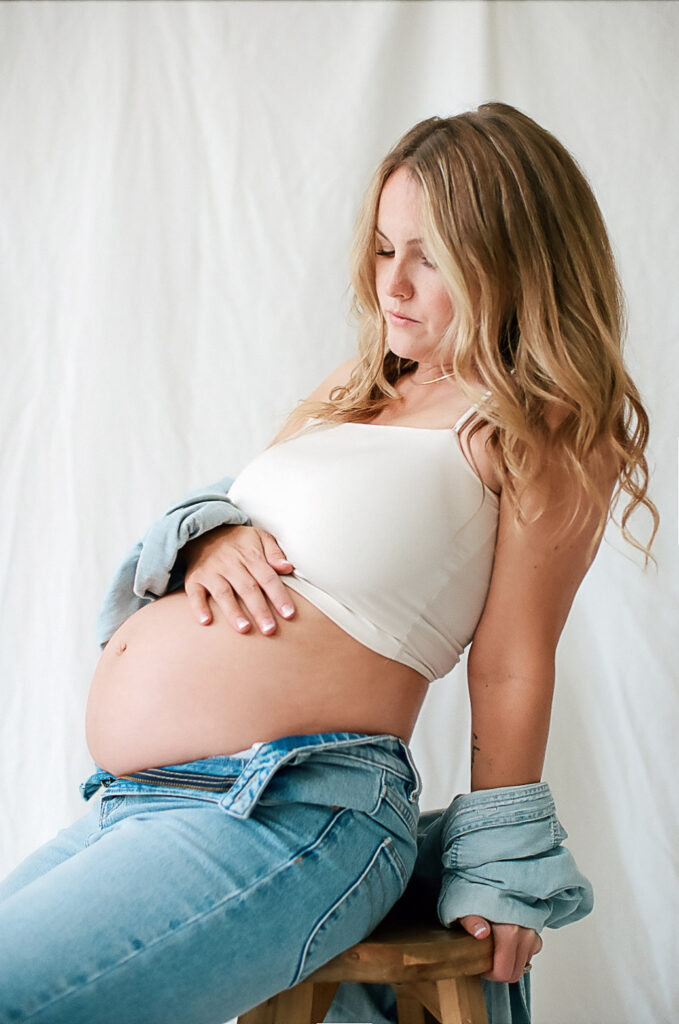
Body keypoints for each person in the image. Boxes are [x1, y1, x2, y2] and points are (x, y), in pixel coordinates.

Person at [0, 103, 657, 1024]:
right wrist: (211, 533)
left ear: (515, 261)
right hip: (143, 804)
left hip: (295, 809)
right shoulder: (356, 394)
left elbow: (513, 661)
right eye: (386, 249)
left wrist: (502, 863)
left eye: (432, 256)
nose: (395, 283)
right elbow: (260, 533)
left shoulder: (538, 431)